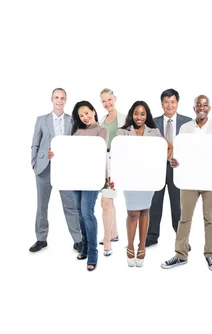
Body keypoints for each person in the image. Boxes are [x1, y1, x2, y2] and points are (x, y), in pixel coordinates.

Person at [161, 95, 212, 271]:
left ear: (209, 108)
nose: (202, 107)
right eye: (198, 105)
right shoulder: (185, 128)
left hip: (210, 180)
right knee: (184, 218)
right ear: (194, 108)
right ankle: (180, 255)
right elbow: (180, 154)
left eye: (205, 105)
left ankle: (210, 255)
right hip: (189, 179)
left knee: (210, 219)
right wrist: (174, 161)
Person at [49, 101, 108, 271]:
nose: (85, 117)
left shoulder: (101, 131)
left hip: (92, 177)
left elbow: (97, 154)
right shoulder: (76, 132)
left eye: (87, 113)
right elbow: (69, 155)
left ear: (94, 111)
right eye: (81, 116)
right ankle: (84, 246)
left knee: (88, 213)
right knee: (80, 212)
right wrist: (55, 154)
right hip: (75, 176)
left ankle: (93, 251)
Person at [116, 101, 173, 267]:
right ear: (131, 114)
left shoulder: (154, 132)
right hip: (130, 178)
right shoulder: (123, 132)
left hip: (147, 178)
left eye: (142, 113)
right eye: (136, 113)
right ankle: (131, 245)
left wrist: (159, 162)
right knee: (132, 212)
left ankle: (142, 246)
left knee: (144, 211)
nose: (139, 117)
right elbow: (118, 153)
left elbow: (169, 148)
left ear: (146, 115)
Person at [30, 88, 81, 253]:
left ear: (65, 100)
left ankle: (78, 240)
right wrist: (35, 164)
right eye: (57, 97)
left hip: (65, 169)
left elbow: (75, 144)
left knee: (70, 205)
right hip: (44, 168)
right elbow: (35, 144)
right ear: (52, 99)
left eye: (62, 98)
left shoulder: (72, 120)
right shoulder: (41, 120)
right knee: (42, 206)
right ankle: (41, 239)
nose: (59, 101)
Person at [146, 89, 192, 247]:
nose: (169, 105)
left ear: (177, 103)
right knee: (154, 202)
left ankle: (182, 239)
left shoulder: (188, 122)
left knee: (178, 205)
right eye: (166, 102)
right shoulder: (152, 121)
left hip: (178, 168)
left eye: (172, 102)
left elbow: (191, 147)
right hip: (158, 168)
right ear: (161, 104)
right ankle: (151, 236)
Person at [98, 88, 126, 256]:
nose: (107, 104)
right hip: (103, 164)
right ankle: (113, 233)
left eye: (110, 100)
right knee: (110, 201)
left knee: (105, 202)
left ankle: (107, 238)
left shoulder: (123, 118)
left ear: (115, 99)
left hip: (116, 163)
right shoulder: (101, 120)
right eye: (104, 101)